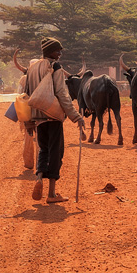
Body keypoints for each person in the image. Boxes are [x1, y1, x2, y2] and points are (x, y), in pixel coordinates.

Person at [24, 37, 84, 204]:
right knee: (56, 152)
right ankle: (51, 194)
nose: (60, 53)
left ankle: (39, 178)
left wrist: (27, 121)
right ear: (49, 51)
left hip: (38, 116)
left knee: (43, 150)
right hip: (53, 115)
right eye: (57, 50)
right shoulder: (55, 66)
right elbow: (62, 94)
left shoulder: (32, 68)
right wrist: (75, 116)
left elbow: (26, 94)